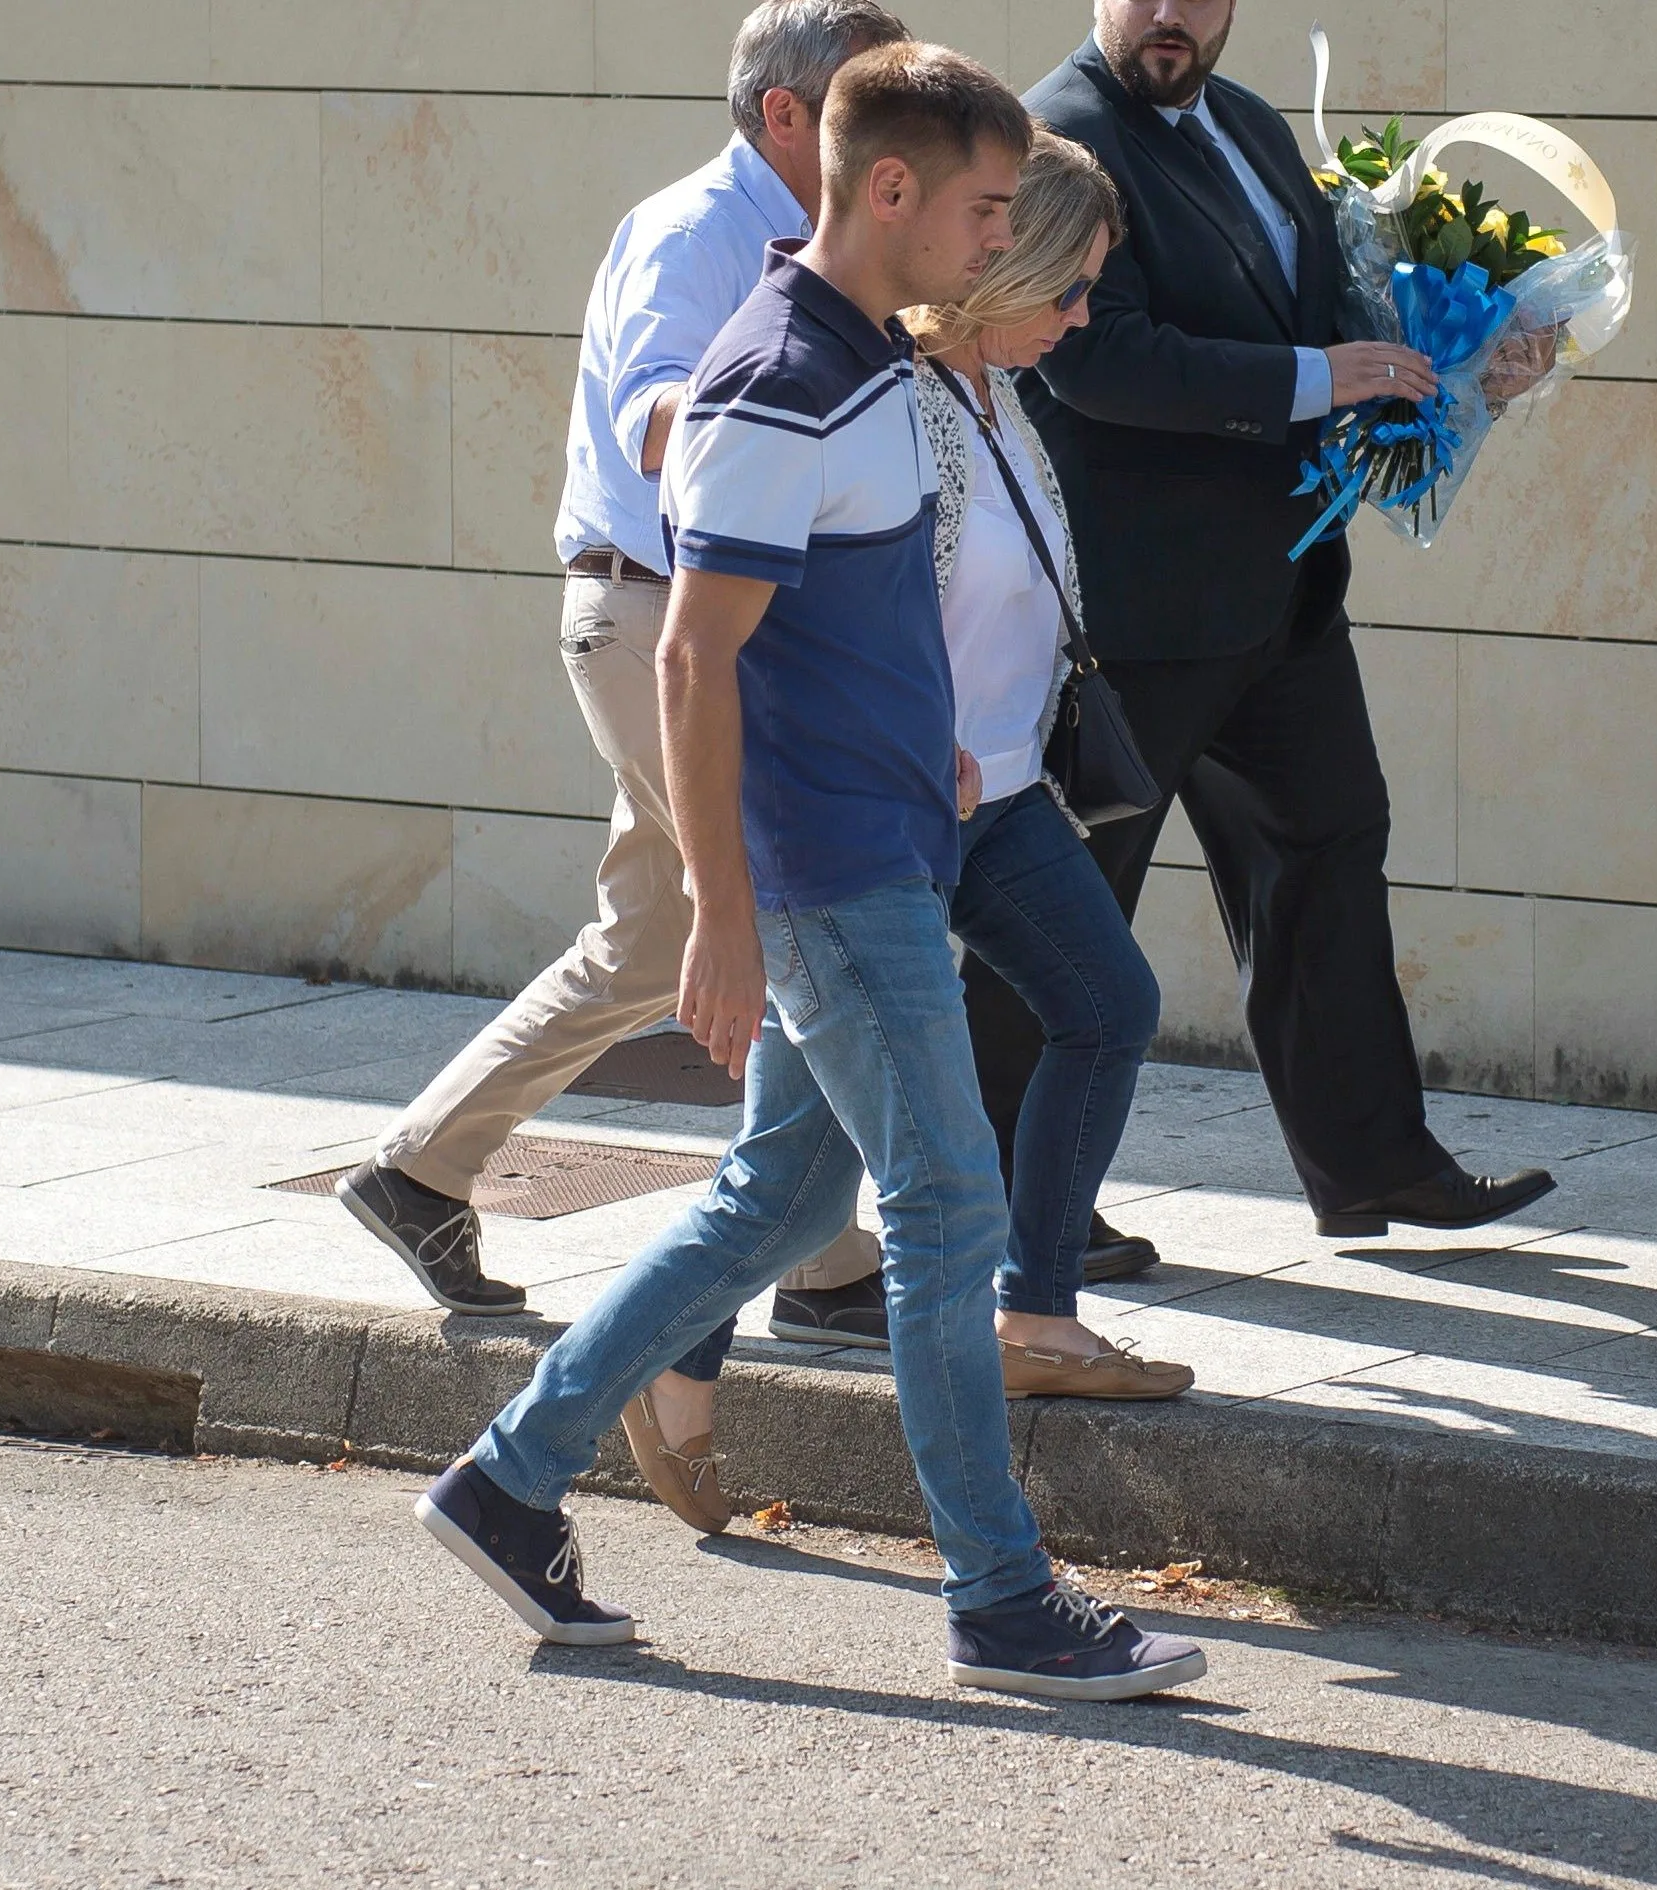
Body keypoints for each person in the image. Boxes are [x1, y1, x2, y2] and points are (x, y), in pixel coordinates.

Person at [414, 41, 1207, 1704]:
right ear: (893, 193)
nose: (1002, 241)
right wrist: (719, 909)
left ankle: (508, 1478)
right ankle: (1001, 1595)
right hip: (834, 871)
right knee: (943, 1212)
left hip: (893, 847)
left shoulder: (846, 362)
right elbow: (698, 660)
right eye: (989, 207)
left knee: (775, 1200)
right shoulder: (788, 374)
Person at [622, 132, 1190, 1534]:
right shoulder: (895, 396)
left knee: (1106, 1002)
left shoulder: (1000, 392)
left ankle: (1036, 1315)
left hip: (994, 799)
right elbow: (782, 631)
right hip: (878, 813)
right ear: (1010, 260)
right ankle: (645, 1381)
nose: (1079, 321)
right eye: (1072, 289)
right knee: (789, 1165)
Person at [335, 0, 906, 1327]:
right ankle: (822, 1263)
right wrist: (752, 411)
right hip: (664, 622)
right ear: (782, 114)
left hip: (697, 623)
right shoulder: (690, 233)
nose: (895, 134)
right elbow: (656, 402)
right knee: (784, 916)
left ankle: (422, 1169)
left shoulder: (823, 244)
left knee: (652, 938)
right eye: (863, 103)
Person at [992, 0, 1556, 1238]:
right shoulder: (1053, 136)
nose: (1172, 14)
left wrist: (1468, 361)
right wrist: (1322, 378)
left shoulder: (1249, 124)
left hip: (1284, 600)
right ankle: (1021, 1208)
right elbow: (1098, 361)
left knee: (1331, 854)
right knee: (1067, 913)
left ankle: (1373, 1166)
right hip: (1131, 622)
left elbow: (1335, 317)